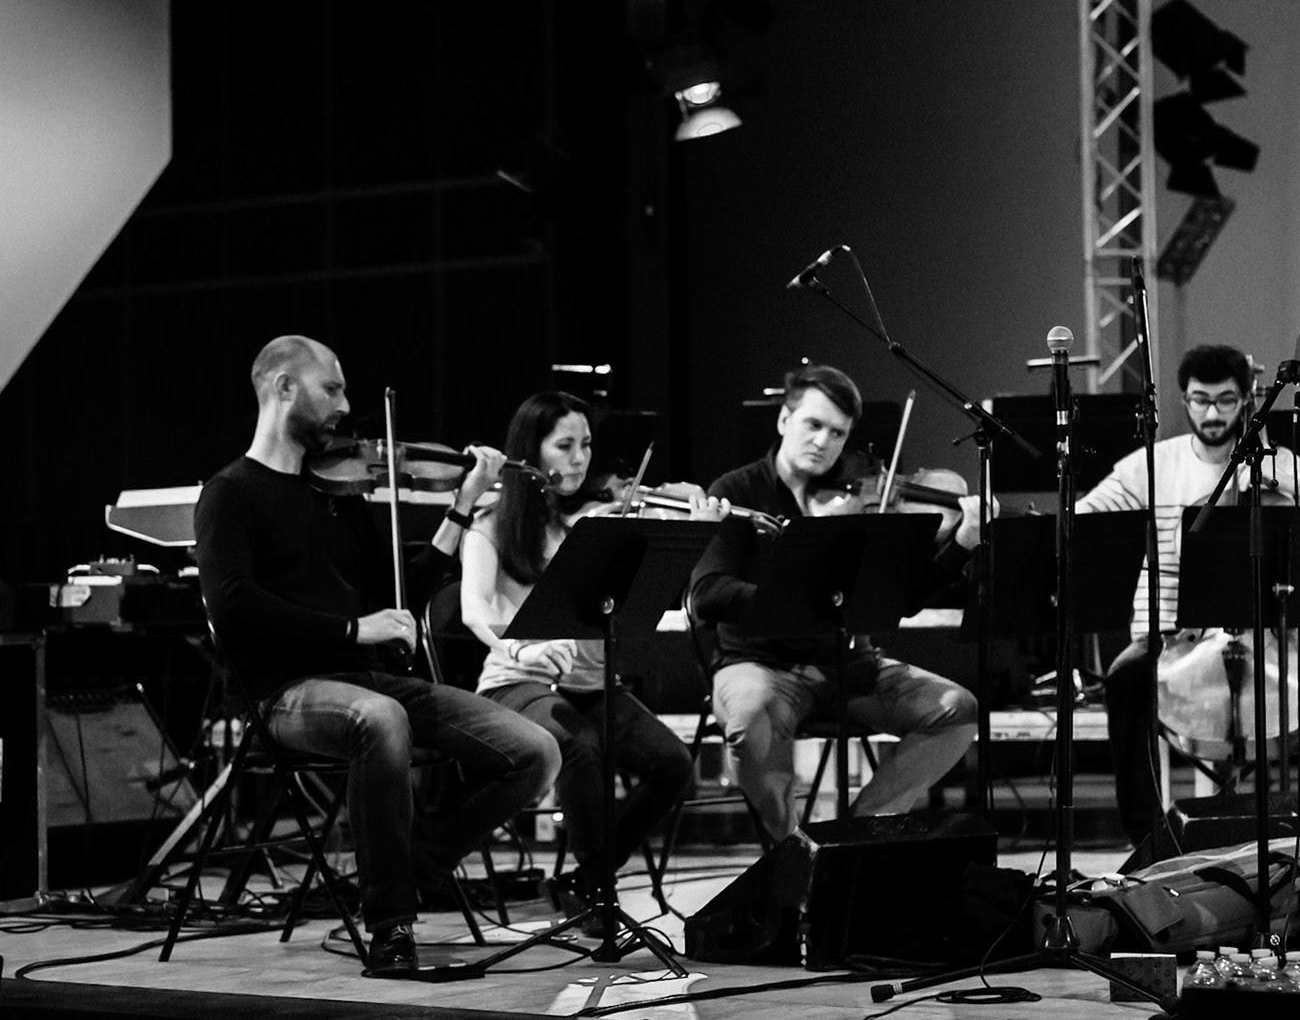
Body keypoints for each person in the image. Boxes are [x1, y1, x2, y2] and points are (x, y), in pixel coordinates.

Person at [195, 336, 562, 975]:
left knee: (536, 752)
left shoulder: (340, 497)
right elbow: (233, 607)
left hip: (369, 681)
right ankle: (390, 927)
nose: (345, 405)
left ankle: (417, 866)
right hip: (281, 693)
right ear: (284, 388)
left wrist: (461, 505)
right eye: (331, 389)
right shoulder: (231, 493)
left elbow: (402, 595)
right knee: (379, 720)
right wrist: (350, 631)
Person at [1076, 343, 1300, 849]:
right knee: (1126, 678)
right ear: (1184, 399)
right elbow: (1088, 516)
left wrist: (1291, 485)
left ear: (1246, 400)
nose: (1212, 413)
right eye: (1200, 401)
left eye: (1225, 400)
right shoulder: (1152, 465)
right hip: (1176, 636)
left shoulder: (1280, 462)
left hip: (1271, 641)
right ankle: (1147, 841)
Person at [687, 363, 983, 840]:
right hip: (762, 665)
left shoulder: (861, 501)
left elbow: (902, 602)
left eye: (838, 433)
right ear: (785, 421)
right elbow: (707, 594)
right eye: (813, 425)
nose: (824, 442)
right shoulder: (737, 492)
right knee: (748, 720)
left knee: (957, 709)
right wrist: (792, 599)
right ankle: (792, 850)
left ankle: (856, 837)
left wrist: (962, 544)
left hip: (852, 667)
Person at [460, 391, 698, 926]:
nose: (579, 459)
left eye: (586, 444)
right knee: (580, 748)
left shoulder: (590, 525)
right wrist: (527, 645)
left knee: (673, 764)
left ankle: (587, 880)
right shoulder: (493, 523)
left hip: (589, 685)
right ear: (532, 450)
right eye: (564, 445)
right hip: (516, 682)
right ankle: (599, 895)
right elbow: (477, 612)